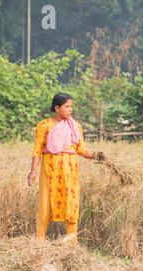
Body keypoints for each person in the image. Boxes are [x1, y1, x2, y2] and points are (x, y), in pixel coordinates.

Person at [27, 93, 103, 243]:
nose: (71, 110)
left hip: (70, 173)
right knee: (45, 204)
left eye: (71, 106)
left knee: (71, 204)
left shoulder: (75, 127)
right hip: (49, 172)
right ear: (57, 108)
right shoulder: (44, 126)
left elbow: (81, 150)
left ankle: (72, 242)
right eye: (67, 106)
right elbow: (37, 151)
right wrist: (33, 171)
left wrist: (97, 156)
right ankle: (39, 241)